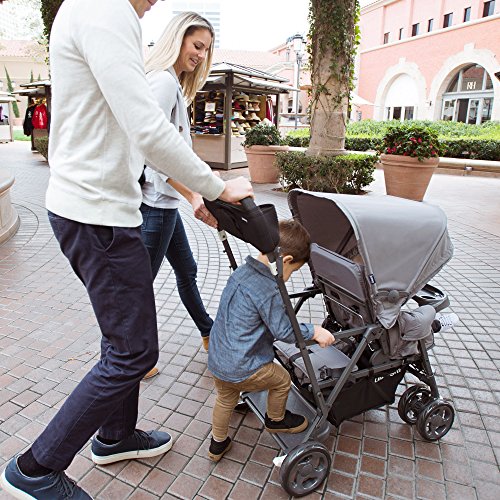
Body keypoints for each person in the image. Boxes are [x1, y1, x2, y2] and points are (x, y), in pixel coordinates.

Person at [0, 1, 253, 499]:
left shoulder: (95, 11)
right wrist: (216, 187)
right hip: (98, 214)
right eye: (196, 45)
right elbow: (148, 129)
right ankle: (34, 470)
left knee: (124, 339)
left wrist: (196, 193)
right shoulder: (106, 9)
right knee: (134, 350)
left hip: (98, 208)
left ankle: (116, 436)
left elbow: (131, 131)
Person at [207, 220, 336, 462]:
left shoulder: (242, 273)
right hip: (242, 366)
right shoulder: (267, 289)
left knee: (225, 397)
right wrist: (314, 331)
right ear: (286, 260)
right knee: (281, 380)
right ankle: (276, 419)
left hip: (218, 358)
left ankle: (217, 443)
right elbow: (284, 331)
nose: (289, 276)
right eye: (293, 271)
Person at [141, 13, 217, 377]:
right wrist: (193, 195)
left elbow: (176, 152)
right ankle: (133, 358)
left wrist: (201, 182)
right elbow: (152, 150)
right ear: (178, 39)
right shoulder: (162, 82)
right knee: (140, 287)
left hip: (164, 205)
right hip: (156, 205)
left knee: (187, 269)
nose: (201, 55)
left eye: (205, 49)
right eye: (197, 45)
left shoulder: (172, 83)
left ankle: (209, 332)